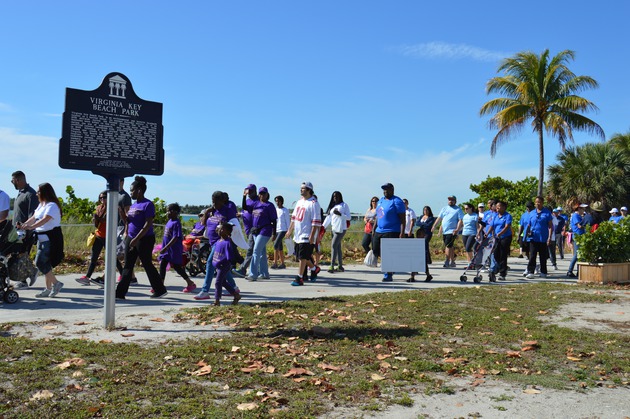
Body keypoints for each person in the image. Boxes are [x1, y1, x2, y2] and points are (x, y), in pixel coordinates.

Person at [115, 176, 168, 300]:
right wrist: (123, 216)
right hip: (131, 238)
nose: (131, 192)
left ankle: (160, 290)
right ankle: (120, 293)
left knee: (147, 264)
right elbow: (129, 222)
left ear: (139, 190)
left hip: (145, 239)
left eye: (132, 190)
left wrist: (137, 239)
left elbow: (148, 224)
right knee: (128, 265)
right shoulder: (134, 205)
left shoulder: (147, 204)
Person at [17, 183, 64, 297]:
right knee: (46, 264)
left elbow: (45, 220)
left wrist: (31, 227)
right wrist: (24, 225)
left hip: (50, 239)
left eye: (39, 191)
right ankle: (48, 288)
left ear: (45, 192)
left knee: (39, 262)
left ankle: (56, 284)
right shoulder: (42, 205)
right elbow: (33, 218)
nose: (37, 193)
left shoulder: (52, 205)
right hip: (41, 238)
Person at [194, 191, 241, 300]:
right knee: (221, 266)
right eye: (213, 202)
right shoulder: (213, 211)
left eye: (216, 202)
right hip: (212, 241)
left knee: (210, 263)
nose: (214, 204)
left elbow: (233, 226)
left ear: (222, 201)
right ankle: (234, 288)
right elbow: (203, 224)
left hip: (221, 242)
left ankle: (205, 291)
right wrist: (207, 213)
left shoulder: (227, 211)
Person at [76, 191, 124, 286]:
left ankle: (123, 275)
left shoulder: (113, 207)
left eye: (104, 197)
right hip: (99, 235)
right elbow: (96, 224)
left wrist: (98, 218)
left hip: (108, 236)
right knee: (94, 257)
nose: (103, 200)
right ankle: (87, 277)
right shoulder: (99, 208)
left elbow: (108, 220)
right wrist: (96, 219)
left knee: (112, 258)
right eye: (101, 198)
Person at [285, 181, 322, 286]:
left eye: (303, 188)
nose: (301, 190)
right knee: (301, 256)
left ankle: (299, 278)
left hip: (307, 234)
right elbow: (294, 218)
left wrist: (312, 235)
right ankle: (314, 268)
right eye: (301, 188)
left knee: (302, 257)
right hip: (298, 234)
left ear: (309, 190)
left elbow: (316, 222)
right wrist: (289, 230)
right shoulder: (299, 202)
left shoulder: (314, 203)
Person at [9, 170, 38, 288]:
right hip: (16, 231)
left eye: (12, 181)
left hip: (25, 232)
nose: (12, 183)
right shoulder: (21, 193)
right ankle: (30, 272)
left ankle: (24, 279)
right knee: (16, 255)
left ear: (19, 180)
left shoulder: (31, 194)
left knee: (22, 255)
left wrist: (27, 230)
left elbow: (33, 215)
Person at [159, 203, 196, 293]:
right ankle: (160, 285)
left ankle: (190, 283)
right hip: (167, 250)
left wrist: (166, 247)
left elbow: (175, 237)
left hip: (173, 250)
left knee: (177, 267)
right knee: (163, 265)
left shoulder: (176, 223)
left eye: (168, 211)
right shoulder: (169, 221)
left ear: (174, 212)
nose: (167, 213)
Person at [242, 186, 277, 281]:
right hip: (255, 231)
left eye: (263, 193)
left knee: (256, 250)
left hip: (265, 230)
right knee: (261, 252)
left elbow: (274, 220)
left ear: (267, 194)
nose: (262, 195)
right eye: (260, 193)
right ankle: (264, 273)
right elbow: (245, 207)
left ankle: (253, 274)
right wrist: (244, 196)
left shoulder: (269, 206)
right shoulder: (256, 204)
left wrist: (274, 233)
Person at [373, 183, 406, 282]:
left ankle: (388, 273)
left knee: (388, 253)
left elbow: (402, 219)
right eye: (384, 190)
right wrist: (374, 228)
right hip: (379, 230)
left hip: (392, 231)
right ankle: (391, 267)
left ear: (392, 190)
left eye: (387, 189)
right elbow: (378, 216)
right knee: (376, 250)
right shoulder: (381, 201)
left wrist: (402, 232)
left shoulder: (397, 201)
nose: (385, 191)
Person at [211, 222, 242, 306]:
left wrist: (228, 264)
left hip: (223, 266)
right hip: (218, 265)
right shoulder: (218, 241)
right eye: (220, 229)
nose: (220, 230)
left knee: (218, 282)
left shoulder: (227, 243)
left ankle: (217, 300)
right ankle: (236, 295)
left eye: (222, 229)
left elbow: (229, 256)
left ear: (228, 232)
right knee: (223, 282)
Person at [432, 195, 464, 268]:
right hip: (445, 231)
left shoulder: (458, 209)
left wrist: (457, 229)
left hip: (452, 231)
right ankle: (452, 261)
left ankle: (447, 260)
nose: (450, 201)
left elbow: (460, 220)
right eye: (449, 200)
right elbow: (439, 218)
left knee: (448, 246)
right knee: (450, 246)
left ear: (455, 201)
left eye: (452, 200)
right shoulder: (444, 208)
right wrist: (434, 226)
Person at [525, 197, 553, 279]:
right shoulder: (532, 213)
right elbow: (529, 225)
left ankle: (543, 272)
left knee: (543, 256)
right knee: (532, 255)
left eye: (539, 202)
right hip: (533, 237)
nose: (538, 204)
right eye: (536, 202)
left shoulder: (547, 213)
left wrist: (549, 237)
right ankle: (530, 271)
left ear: (542, 203)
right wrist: (526, 234)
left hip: (543, 237)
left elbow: (550, 226)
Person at [233, 184, 258, 277]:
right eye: (248, 191)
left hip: (253, 228)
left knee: (250, 250)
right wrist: (241, 214)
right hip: (247, 229)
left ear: (255, 191)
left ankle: (243, 269)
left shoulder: (257, 201)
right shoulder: (247, 201)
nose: (249, 193)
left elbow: (249, 211)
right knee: (257, 251)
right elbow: (244, 209)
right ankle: (257, 270)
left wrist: (243, 214)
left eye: (250, 191)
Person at [323, 191, 351, 273]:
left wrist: (340, 214)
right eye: (334, 196)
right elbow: (328, 218)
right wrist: (323, 227)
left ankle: (331, 265)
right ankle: (340, 266)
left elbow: (349, 217)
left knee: (333, 245)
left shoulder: (344, 205)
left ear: (340, 197)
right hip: (334, 228)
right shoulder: (333, 206)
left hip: (341, 229)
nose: (335, 198)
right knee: (337, 247)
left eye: (337, 196)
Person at [487, 200, 512, 281]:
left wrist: (500, 233)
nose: (497, 208)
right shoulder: (495, 216)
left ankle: (502, 273)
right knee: (496, 254)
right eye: (496, 206)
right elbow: (492, 226)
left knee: (503, 255)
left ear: (504, 207)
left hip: (505, 237)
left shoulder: (507, 216)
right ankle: (498, 268)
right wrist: (487, 233)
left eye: (499, 206)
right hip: (497, 238)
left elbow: (507, 226)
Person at [566, 203, 588, 278]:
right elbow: (579, 226)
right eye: (582, 209)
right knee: (577, 254)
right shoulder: (575, 215)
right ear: (578, 209)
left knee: (580, 255)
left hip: (581, 236)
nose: (584, 210)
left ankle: (579, 271)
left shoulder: (579, 216)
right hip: (578, 236)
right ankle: (570, 271)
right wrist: (587, 225)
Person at [271, 195, 290, 269]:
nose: (277, 202)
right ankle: (282, 263)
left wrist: (288, 231)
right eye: (276, 201)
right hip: (277, 229)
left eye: (278, 201)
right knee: (280, 246)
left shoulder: (285, 210)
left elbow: (288, 221)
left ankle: (275, 263)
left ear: (281, 201)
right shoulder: (275, 210)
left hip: (283, 229)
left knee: (275, 245)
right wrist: (274, 232)